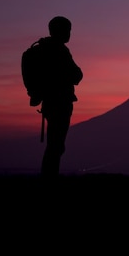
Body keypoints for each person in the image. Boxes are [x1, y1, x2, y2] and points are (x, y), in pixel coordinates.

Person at [38, 16, 83, 178]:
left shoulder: (43, 49)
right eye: (67, 29)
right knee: (56, 146)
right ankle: (49, 178)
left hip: (49, 103)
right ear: (60, 30)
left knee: (54, 144)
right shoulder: (59, 50)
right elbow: (76, 75)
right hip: (60, 102)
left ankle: (48, 176)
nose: (69, 33)